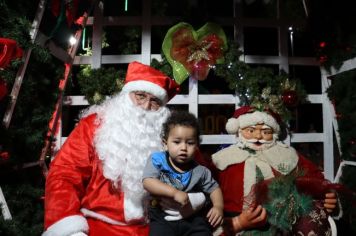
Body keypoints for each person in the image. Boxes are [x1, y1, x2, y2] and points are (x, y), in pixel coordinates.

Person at [42, 61, 206, 236]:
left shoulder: (173, 134)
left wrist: (196, 200)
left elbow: (203, 174)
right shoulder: (94, 126)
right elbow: (64, 175)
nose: (146, 107)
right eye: (141, 96)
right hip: (99, 227)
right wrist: (70, 229)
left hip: (158, 228)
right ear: (126, 95)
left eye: (155, 101)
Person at [211, 106, 340, 235]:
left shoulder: (287, 155)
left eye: (266, 132)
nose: (258, 136)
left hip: (284, 225)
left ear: (274, 133)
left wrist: (327, 196)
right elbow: (205, 194)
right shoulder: (222, 159)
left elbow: (315, 180)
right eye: (250, 130)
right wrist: (237, 222)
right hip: (236, 226)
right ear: (239, 130)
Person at [142, 111, 224, 236]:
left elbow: (214, 189)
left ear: (197, 146)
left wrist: (218, 207)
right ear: (165, 144)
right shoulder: (157, 160)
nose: (183, 148)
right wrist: (174, 193)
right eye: (177, 142)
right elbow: (148, 181)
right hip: (162, 216)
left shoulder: (201, 171)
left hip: (192, 217)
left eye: (190, 143)